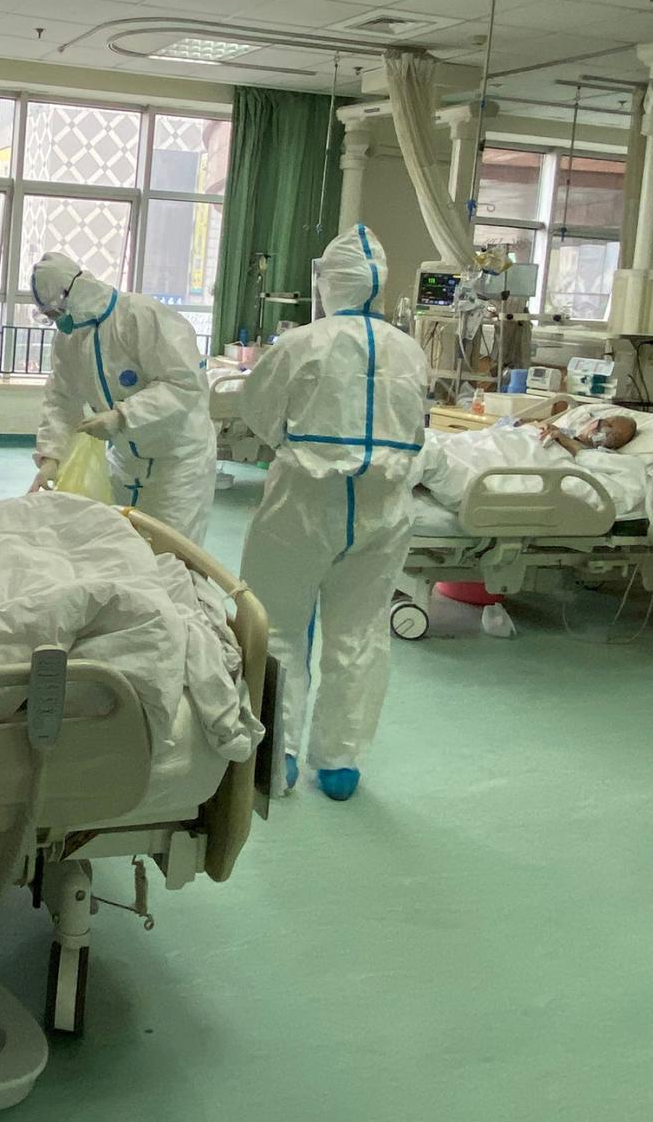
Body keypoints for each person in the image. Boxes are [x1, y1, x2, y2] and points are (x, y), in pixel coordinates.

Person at [237, 226, 431, 801]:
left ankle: (281, 758)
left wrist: (301, 448)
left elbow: (258, 411)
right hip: (384, 509)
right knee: (360, 633)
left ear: (329, 283)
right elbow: (418, 426)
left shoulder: (302, 344)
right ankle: (341, 763)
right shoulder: (409, 348)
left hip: (304, 500)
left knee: (279, 629)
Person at [26, 252, 216, 545]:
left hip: (177, 463)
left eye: (56, 312)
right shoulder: (69, 338)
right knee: (125, 550)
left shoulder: (142, 316)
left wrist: (122, 416)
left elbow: (184, 384)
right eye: (49, 317)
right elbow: (61, 398)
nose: (56, 322)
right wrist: (51, 457)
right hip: (125, 461)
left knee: (172, 557)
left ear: (75, 291)